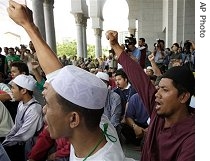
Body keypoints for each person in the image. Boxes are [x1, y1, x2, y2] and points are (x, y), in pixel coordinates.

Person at [7, 2, 136, 161]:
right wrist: (28, 25)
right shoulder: (94, 121)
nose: (44, 110)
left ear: (73, 119)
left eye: (48, 104)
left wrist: (28, 25)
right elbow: (55, 72)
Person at [106, 30, 195, 161]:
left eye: (164, 90)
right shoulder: (158, 112)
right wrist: (114, 45)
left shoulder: (193, 138)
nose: (157, 94)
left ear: (183, 96)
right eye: (158, 89)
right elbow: (138, 76)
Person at [3, 74, 44, 161]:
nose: (11, 91)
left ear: (23, 91)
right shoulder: (21, 104)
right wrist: (7, 139)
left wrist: (4, 144)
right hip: (22, 143)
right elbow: (16, 127)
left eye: (13, 88)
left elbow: (24, 135)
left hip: (32, 146)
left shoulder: (34, 110)